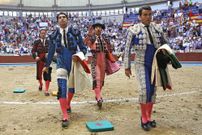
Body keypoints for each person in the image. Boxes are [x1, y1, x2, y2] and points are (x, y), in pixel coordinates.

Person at [124, 6, 168, 131]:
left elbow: (166, 44)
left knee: (153, 90)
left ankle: (149, 116)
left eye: (150, 14)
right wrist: (127, 67)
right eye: (145, 15)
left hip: (154, 64)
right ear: (140, 16)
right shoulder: (133, 30)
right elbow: (127, 49)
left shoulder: (157, 28)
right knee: (145, 90)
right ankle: (144, 117)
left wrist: (168, 56)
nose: (148, 17)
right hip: (140, 63)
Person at [43, 12, 87, 128]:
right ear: (57, 21)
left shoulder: (75, 32)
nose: (62, 19)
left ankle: (67, 104)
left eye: (64, 17)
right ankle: (65, 115)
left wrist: (78, 56)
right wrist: (47, 65)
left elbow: (83, 48)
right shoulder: (54, 35)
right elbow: (51, 51)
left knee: (72, 88)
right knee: (62, 88)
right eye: (60, 18)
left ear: (67, 19)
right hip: (61, 62)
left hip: (73, 61)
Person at [84, 23, 115, 109]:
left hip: (103, 62)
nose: (98, 29)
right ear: (94, 29)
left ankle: (98, 95)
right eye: (96, 27)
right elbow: (85, 42)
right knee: (96, 79)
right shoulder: (92, 38)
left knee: (101, 81)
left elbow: (110, 50)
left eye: (100, 27)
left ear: (102, 29)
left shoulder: (105, 38)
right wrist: (89, 34)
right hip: (95, 61)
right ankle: (98, 98)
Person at [31, 28, 52, 96]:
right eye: (42, 33)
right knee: (39, 75)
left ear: (46, 34)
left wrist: (50, 54)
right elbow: (33, 51)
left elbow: (52, 50)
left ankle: (46, 90)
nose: (43, 34)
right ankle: (41, 84)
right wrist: (35, 57)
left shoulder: (49, 41)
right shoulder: (36, 42)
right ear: (40, 34)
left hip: (47, 60)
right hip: (39, 59)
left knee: (47, 74)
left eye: (44, 33)